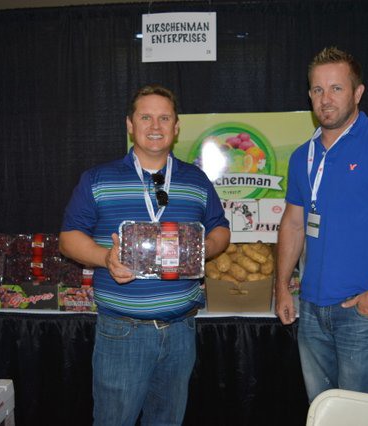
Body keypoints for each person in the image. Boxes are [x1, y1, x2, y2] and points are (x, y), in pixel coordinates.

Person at [59, 84, 230, 426]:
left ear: (176, 127)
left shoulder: (197, 180)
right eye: (146, 117)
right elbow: (68, 239)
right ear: (129, 124)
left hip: (180, 331)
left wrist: (204, 248)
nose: (155, 126)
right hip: (123, 332)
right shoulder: (98, 179)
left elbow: (220, 228)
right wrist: (106, 258)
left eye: (164, 118)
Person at [274, 47, 368, 402]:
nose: (325, 99)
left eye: (336, 88)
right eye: (317, 89)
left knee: (360, 416)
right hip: (311, 310)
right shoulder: (302, 156)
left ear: (358, 93)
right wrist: (282, 287)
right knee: (322, 412)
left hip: (362, 313)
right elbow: (294, 224)